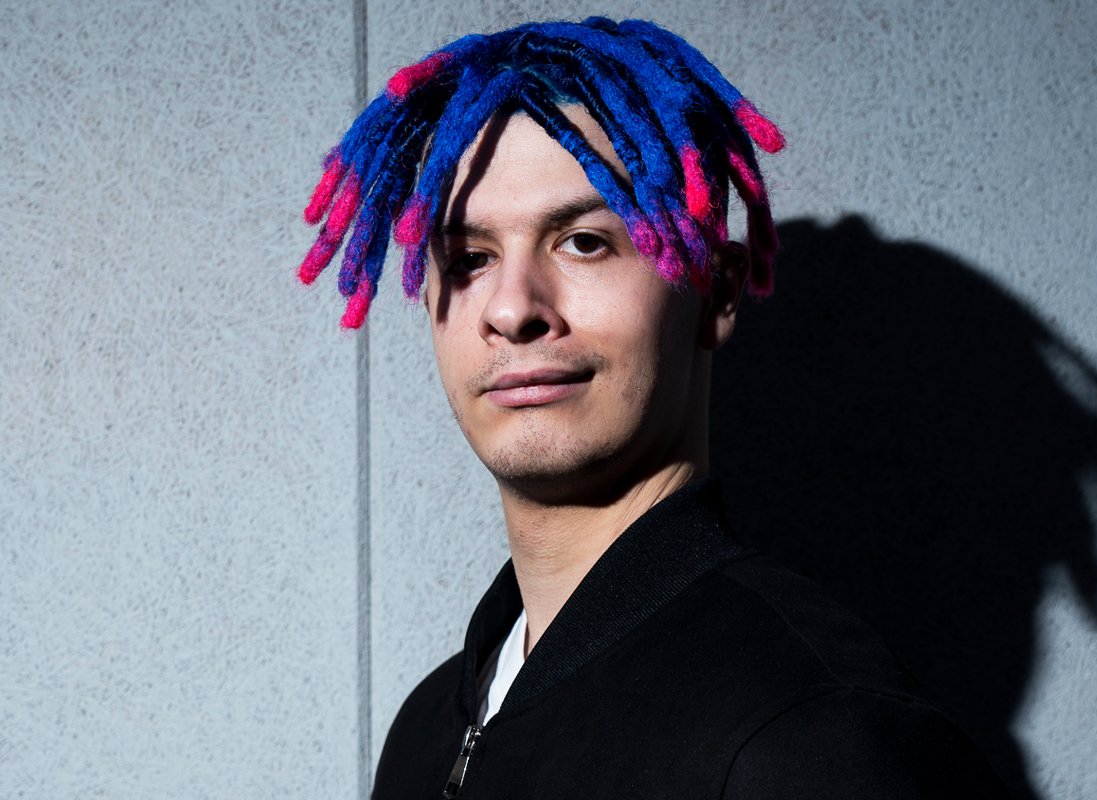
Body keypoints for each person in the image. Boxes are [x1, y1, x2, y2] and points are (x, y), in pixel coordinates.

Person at [297, 18, 1011, 799]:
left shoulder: (819, 734)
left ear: (718, 290)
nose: (512, 308)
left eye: (584, 241)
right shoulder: (427, 730)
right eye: (470, 257)